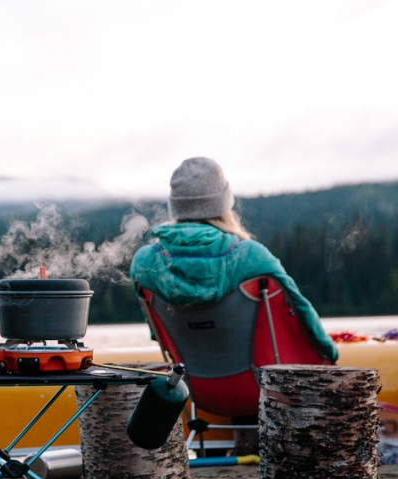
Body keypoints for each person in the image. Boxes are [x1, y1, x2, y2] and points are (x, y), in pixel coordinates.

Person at [130, 157, 338, 454]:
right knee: (261, 354)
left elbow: (157, 334)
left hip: (197, 389)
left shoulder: (144, 262)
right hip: (260, 386)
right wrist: (330, 355)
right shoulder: (251, 256)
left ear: (176, 205)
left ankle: (243, 440)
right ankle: (259, 439)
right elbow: (304, 317)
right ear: (223, 203)